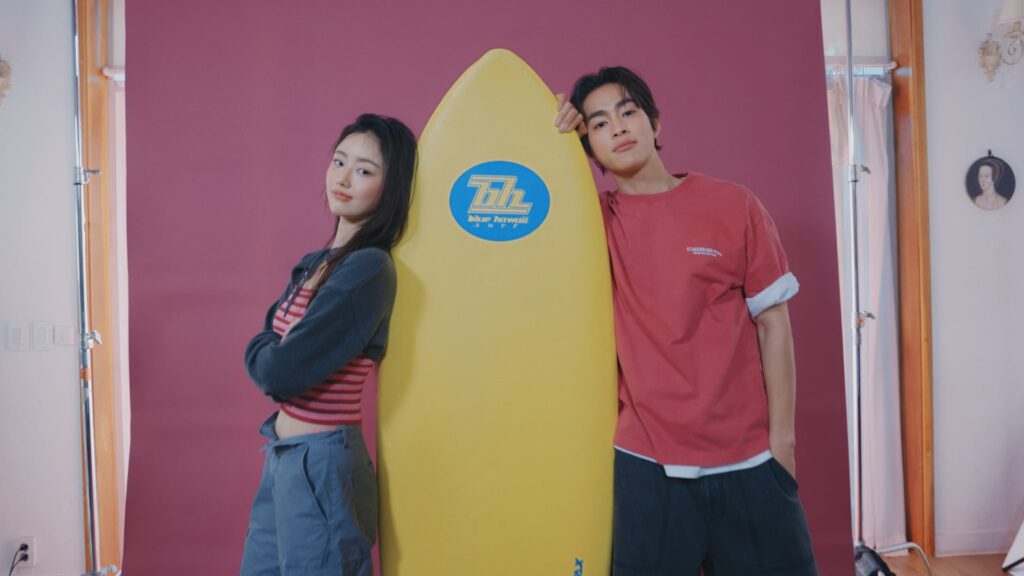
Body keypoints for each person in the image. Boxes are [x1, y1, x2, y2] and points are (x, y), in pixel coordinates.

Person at [553, 67, 818, 575]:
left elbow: (774, 325)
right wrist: (553, 138)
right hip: (647, 465)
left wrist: (782, 444)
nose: (618, 127)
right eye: (599, 124)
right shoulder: (589, 222)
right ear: (591, 150)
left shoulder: (734, 205)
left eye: (628, 112)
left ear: (655, 123)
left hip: (749, 460)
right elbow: (531, 205)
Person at [240, 113, 416, 576]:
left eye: (364, 170)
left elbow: (280, 372)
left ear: (391, 187)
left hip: (321, 465)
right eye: (339, 161)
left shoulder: (369, 268)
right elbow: (271, 344)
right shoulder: (315, 263)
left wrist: (265, 352)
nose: (343, 178)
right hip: (282, 454)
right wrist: (269, 351)